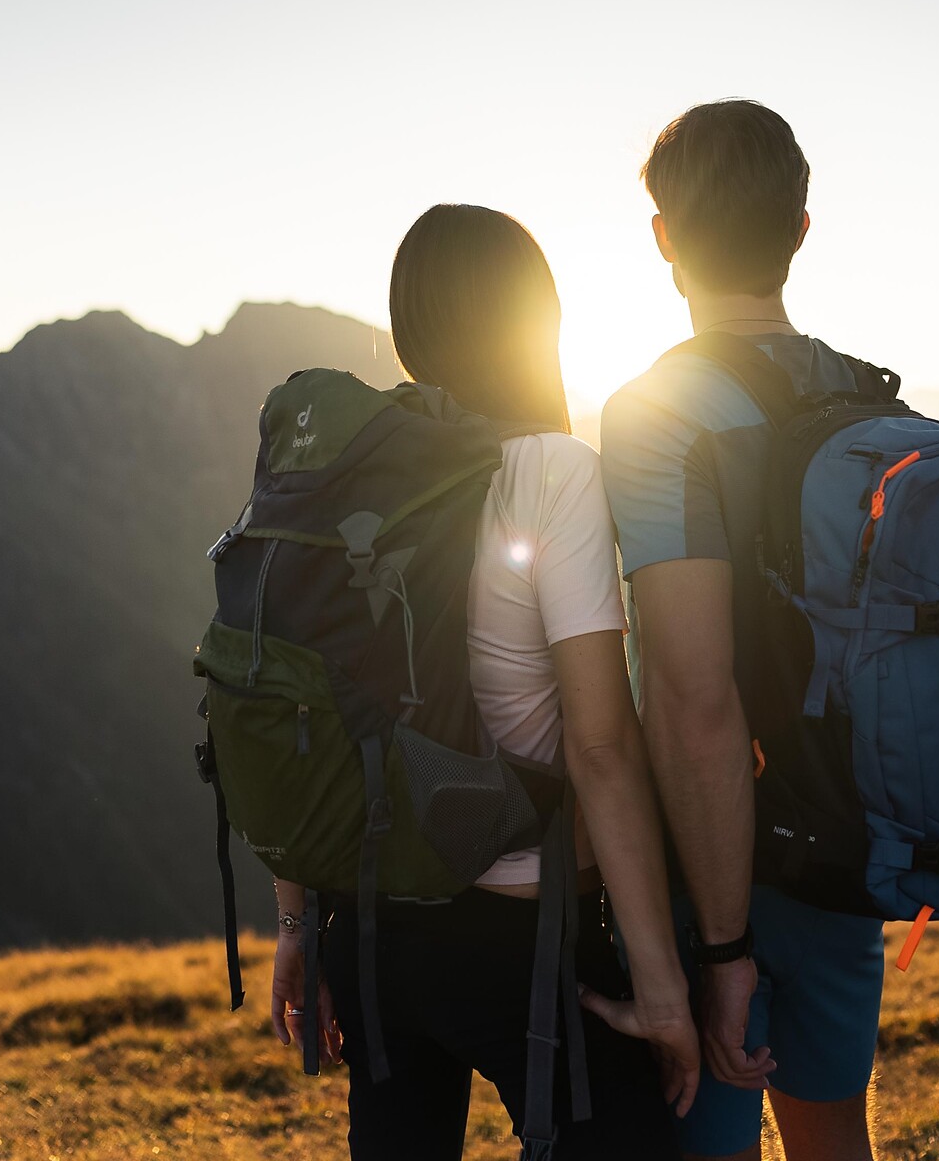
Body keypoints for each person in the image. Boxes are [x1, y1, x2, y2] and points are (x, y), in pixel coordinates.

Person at [268, 204, 700, 1160]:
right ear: (534, 317)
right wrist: (664, 993)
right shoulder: (552, 471)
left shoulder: (336, 478)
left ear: (408, 321)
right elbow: (599, 746)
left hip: (372, 928)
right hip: (523, 937)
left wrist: (296, 923)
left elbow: (300, 705)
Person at [601, 101, 887, 1161]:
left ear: (666, 237)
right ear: (800, 230)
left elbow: (695, 700)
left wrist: (722, 952)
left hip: (714, 885)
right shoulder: (871, 406)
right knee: (833, 1144)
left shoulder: (659, 413)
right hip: (850, 860)